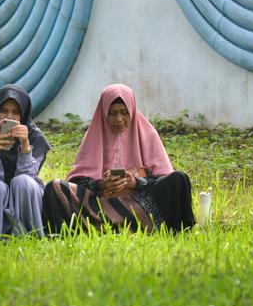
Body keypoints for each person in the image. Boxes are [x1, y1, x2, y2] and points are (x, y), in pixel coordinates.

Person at [43, 83, 195, 233]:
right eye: (113, 113)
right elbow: (76, 182)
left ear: (132, 111)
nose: (119, 119)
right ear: (104, 113)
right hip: (100, 206)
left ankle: (118, 227)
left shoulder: (148, 134)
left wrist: (135, 182)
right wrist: (101, 184)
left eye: (124, 112)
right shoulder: (93, 137)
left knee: (179, 178)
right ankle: (112, 227)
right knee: (55, 187)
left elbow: (163, 179)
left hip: (140, 204)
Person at [0, 84, 51, 238]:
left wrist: (25, 147)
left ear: (24, 114)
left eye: (16, 112)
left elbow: (29, 177)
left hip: (26, 198)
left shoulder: (36, 138)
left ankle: (30, 236)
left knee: (23, 182)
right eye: (4, 111)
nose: (9, 117)